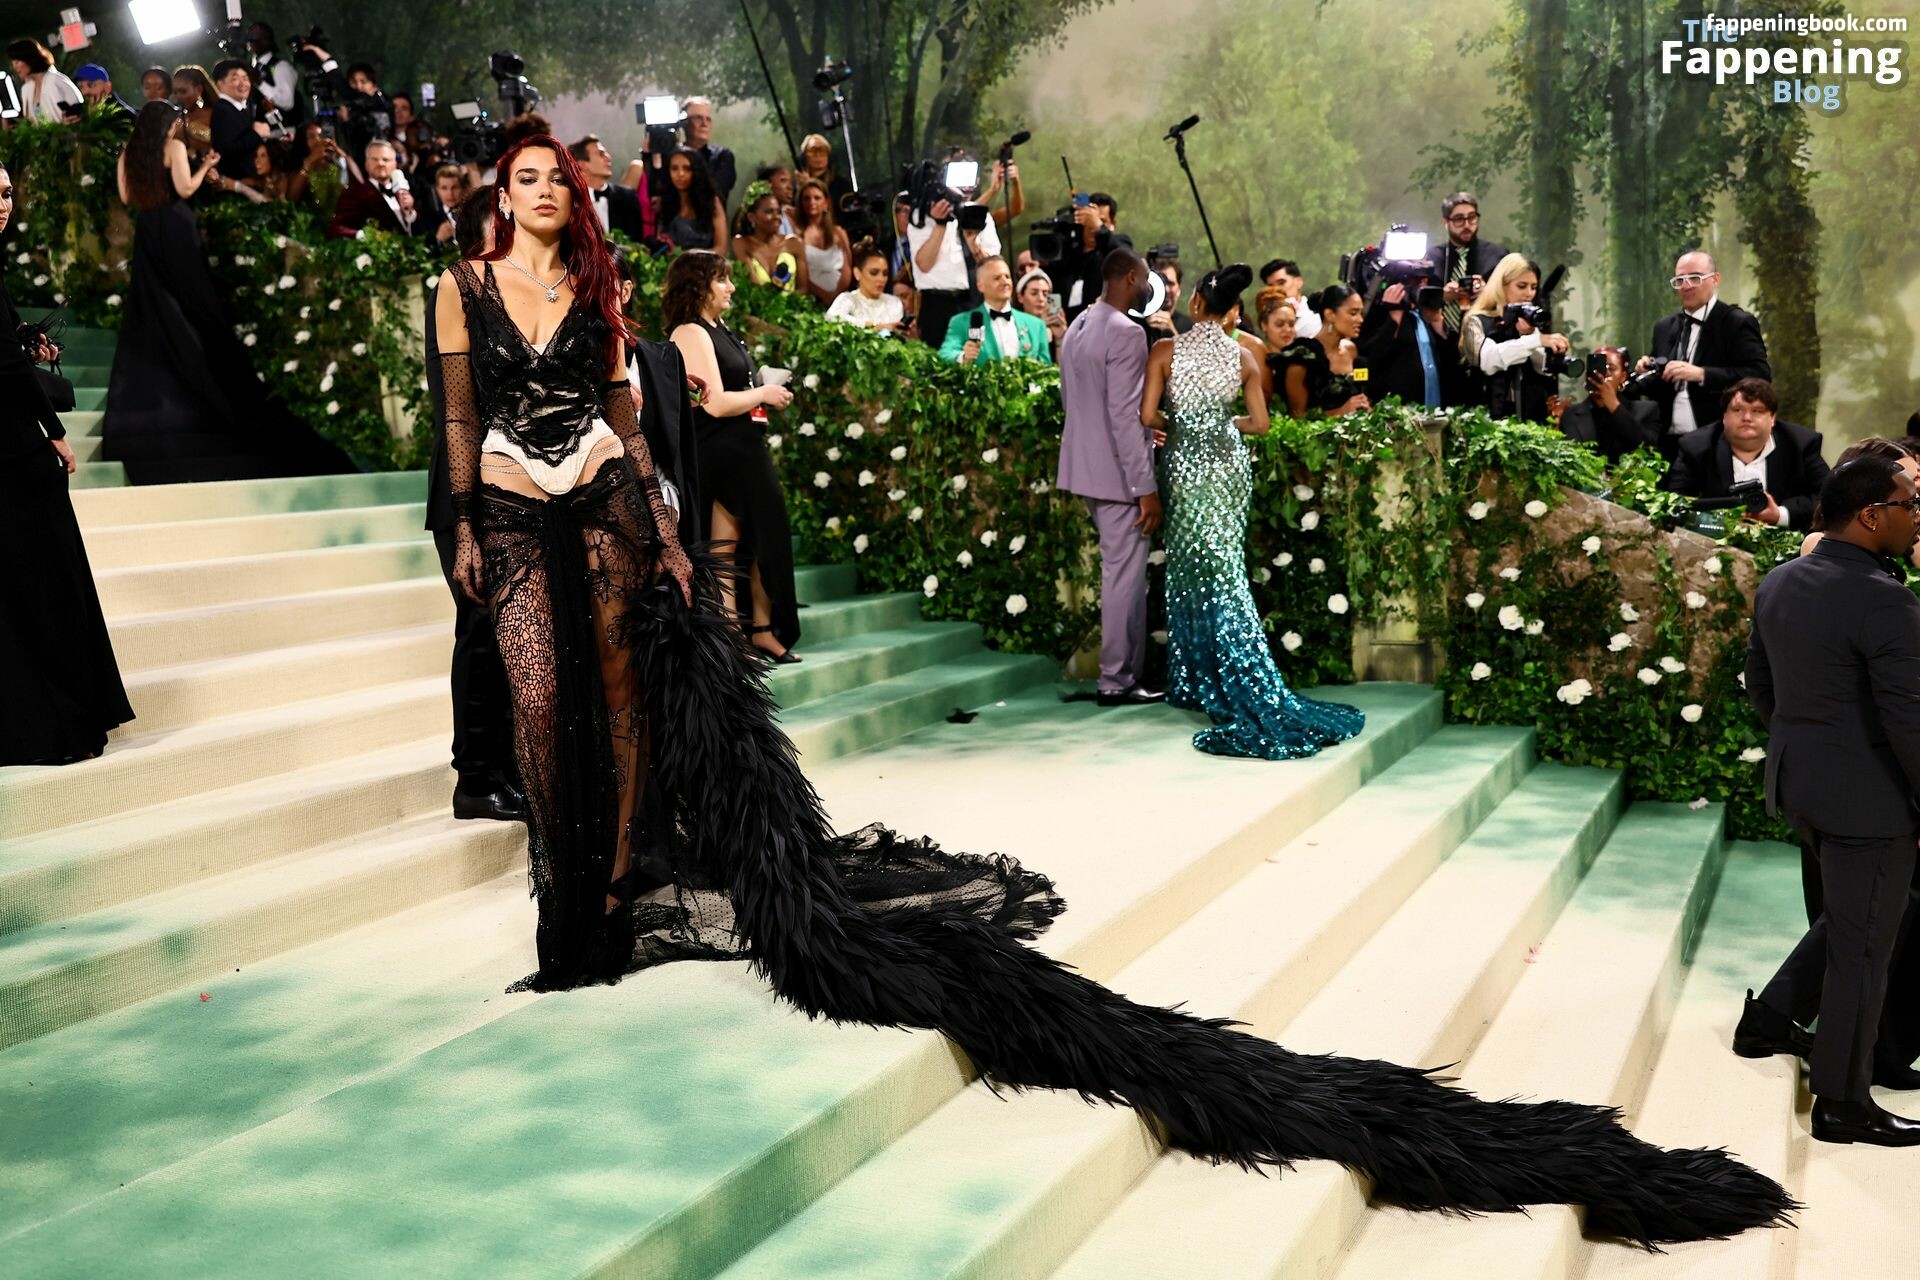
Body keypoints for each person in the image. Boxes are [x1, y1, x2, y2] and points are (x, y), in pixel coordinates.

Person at [425, 137, 1794, 1246]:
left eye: (555, 177)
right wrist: (464, 527)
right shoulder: (464, 291)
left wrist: (662, 522)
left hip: (612, 506)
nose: (542, 191)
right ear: (496, 196)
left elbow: (626, 410)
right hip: (514, 505)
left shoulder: (601, 292)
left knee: (625, 717)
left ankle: (608, 899)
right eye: (524, 176)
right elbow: (458, 418)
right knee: (547, 719)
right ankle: (575, 916)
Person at [1738, 456, 1920, 1146]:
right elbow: (1909, 721)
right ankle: (1843, 1105)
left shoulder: (1782, 580)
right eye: (1909, 504)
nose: (1917, 517)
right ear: (1871, 514)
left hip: (1802, 788)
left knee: (1852, 932)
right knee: (1861, 953)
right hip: (1869, 802)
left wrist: (1807, 747)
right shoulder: (1884, 599)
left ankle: (1797, 1035)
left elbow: (1761, 686)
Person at [1141, 263, 1365, 759]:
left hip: (1184, 465)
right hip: (1228, 467)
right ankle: (1225, 674)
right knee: (1225, 568)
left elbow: (1146, 415)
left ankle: (1194, 679)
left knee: (1189, 567)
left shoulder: (1165, 350)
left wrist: (1186, 422)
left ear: (1195, 304)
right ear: (1233, 312)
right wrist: (1222, 422)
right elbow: (1261, 425)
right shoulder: (1244, 354)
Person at [104, 102, 350, 484]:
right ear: (165, 124)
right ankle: (208, 368)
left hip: (148, 230)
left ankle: (174, 359)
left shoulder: (128, 153)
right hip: (176, 226)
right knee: (198, 302)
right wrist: (205, 166)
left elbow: (125, 197)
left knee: (155, 302)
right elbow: (185, 188)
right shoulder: (173, 148)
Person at [0, 161, 134, 765]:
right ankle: (51, 719)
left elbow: (4, 343)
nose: (3, 204)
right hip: (10, 446)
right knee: (44, 579)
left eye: (8, 193)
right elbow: (2, 364)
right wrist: (53, 430)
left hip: (9, 441)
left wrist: (25, 336)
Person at [419, 183, 524, 823]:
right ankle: (478, 779)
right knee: (483, 633)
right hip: (470, 492)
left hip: (513, 486)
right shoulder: (457, 293)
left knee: (512, 636)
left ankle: (508, 769)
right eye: (507, 224)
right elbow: (463, 410)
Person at [666, 250, 800, 663]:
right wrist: (764, 393)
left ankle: (760, 630)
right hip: (720, 448)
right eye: (721, 279)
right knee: (726, 546)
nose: (731, 287)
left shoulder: (718, 327)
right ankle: (733, 636)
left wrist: (760, 389)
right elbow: (716, 404)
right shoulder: (689, 331)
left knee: (761, 538)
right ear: (698, 286)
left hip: (743, 446)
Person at [1058, 249, 1162, 706]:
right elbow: (1124, 416)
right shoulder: (1127, 331)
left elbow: (1072, 399)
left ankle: (1121, 676)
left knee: (1118, 574)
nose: (1149, 289)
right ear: (1132, 278)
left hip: (1084, 467)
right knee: (1124, 578)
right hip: (1120, 476)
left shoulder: (1079, 323)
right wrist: (1145, 487)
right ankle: (1117, 680)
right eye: (1146, 280)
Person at [1626, 251, 1772, 446]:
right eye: (1680, 280)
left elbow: (1760, 375)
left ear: (1715, 279)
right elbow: (1659, 382)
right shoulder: (1664, 327)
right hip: (1667, 440)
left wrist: (1702, 374)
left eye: (1695, 278)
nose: (1686, 286)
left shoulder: (1736, 322)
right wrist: (1645, 370)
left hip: (1718, 438)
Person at [1660, 377, 1829, 531]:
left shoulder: (1801, 445)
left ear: (1772, 418)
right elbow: (1676, 501)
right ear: (1724, 416)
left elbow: (1829, 499)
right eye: (1738, 409)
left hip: (1786, 543)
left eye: (1757, 411)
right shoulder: (1695, 447)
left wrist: (1779, 514)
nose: (1747, 417)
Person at [1458, 253, 1568, 422]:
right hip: (1487, 419)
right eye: (1521, 286)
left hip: (1530, 417)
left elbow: (1541, 367)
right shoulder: (1477, 320)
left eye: (1533, 287)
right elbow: (1488, 361)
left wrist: (1532, 335)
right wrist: (1535, 340)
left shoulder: (1530, 321)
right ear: (1501, 285)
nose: (1529, 293)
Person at [906, 180, 1000, 351]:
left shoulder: (979, 214)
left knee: (978, 354)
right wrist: (940, 224)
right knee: (938, 359)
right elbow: (924, 265)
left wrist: (974, 246)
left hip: (973, 301)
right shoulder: (920, 217)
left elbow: (994, 268)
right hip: (936, 305)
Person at [1359, 273, 1464, 411]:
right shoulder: (1379, 314)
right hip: (1398, 410)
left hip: (1436, 410)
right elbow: (1371, 359)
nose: (1421, 285)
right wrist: (1393, 319)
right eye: (1416, 280)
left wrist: (1438, 325)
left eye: (1424, 280)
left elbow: (1452, 364)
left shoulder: (1426, 316)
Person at [1278, 285, 1371, 419]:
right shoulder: (1302, 356)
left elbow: (1360, 391)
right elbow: (1297, 417)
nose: (1360, 320)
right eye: (1353, 313)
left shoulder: (1351, 350)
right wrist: (1340, 412)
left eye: (1361, 313)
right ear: (1330, 315)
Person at [1555, 348, 1662, 462]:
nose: (1604, 374)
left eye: (1611, 368)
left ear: (1623, 377)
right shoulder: (1570, 414)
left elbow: (1647, 449)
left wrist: (1613, 405)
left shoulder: (1646, 410)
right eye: (1597, 369)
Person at [939, 256, 1051, 364]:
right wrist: (963, 357)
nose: (1005, 282)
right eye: (997, 278)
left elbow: (1046, 368)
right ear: (980, 286)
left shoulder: (1036, 325)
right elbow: (944, 355)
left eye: (1007, 277)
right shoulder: (961, 322)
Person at [1429, 191, 1509, 337]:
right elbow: (1417, 299)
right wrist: (1442, 296)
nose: (1467, 225)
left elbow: (1513, 297)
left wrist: (1488, 292)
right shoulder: (1432, 258)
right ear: (1445, 221)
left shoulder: (1497, 256)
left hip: (1486, 338)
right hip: (1439, 338)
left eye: (1472, 217)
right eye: (1459, 219)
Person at [327, 139, 421, 239]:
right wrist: (365, 236)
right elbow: (336, 228)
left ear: (395, 164)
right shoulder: (353, 193)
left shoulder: (404, 192)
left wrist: (409, 212)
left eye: (385, 160)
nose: (380, 163)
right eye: (375, 159)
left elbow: (419, 230)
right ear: (366, 164)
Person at [568, 134, 648, 244]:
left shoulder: (627, 197)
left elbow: (635, 242)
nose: (609, 157)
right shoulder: (570, 202)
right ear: (582, 165)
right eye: (601, 154)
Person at [732, 182, 808, 294]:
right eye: (769, 212)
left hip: (793, 304)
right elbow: (753, 288)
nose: (776, 217)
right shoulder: (741, 243)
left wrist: (788, 302)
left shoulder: (795, 242)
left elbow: (803, 289)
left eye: (778, 212)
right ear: (752, 217)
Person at [653, 146, 728, 253]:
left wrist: (688, 258)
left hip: (704, 262)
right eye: (674, 168)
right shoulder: (665, 202)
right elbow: (660, 241)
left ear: (697, 172)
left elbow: (721, 249)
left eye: (687, 169)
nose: (680, 174)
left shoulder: (711, 202)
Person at [826, 239, 906, 332]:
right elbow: (832, 319)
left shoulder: (894, 302)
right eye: (874, 273)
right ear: (857, 273)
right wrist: (875, 327)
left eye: (885, 273)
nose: (881, 279)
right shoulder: (847, 299)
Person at [794, 178, 851, 308]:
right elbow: (801, 276)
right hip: (812, 301)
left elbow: (847, 267)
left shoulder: (839, 232)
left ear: (826, 203)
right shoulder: (797, 236)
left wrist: (837, 296)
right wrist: (824, 296)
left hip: (842, 301)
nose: (812, 202)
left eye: (817, 198)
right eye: (807, 198)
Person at [207, 59, 265, 183]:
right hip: (237, 183)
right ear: (220, 84)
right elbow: (228, 150)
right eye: (235, 79)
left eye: (245, 78)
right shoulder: (223, 110)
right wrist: (257, 134)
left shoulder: (237, 108)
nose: (243, 83)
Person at [6, 40, 81, 124]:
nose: (14, 67)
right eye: (12, 63)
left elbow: (77, 112)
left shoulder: (56, 80)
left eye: (17, 62)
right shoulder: (26, 89)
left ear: (29, 59)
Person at [683, 96, 736, 208]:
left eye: (708, 119)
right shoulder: (672, 155)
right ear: (684, 122)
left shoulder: (722, 156)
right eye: (698, 118)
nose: (704, 124)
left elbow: (715, 195)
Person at [796, 132, 855, 229]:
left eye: (823, 150)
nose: (818, 155)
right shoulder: (798, 185)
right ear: (804, 156)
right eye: (812, 151)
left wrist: (810, 184)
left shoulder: (841, 184)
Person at [245, 23, 300, 122]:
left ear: (268, 41)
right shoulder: (252, 66)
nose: (252, 41)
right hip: (258, 128)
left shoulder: (280, 66)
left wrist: (260, 83)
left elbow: (287, 102)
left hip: (281, 129)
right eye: (251, 37)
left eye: (257, 37)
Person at [1254, 287, 1297, 405]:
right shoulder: (1258, 360)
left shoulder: (1302, 359)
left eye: (1292, 324)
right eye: (1280, 324)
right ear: (1264, 325)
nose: (1287, 330)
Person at [1139, 259, 1195, 350]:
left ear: (1179, 289)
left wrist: (1172, 333)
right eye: (1160, 283)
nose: (1165, 290)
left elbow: (1191, 356)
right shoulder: (1136, 320)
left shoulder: (1190, 327)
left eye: (1170, 283)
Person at [1258, 259, 1321, 340]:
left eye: (1281, 283)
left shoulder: (1316, 315)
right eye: (1271, 286)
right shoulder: (1268, 318)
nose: (1276, 289)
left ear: (1299, 282)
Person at [1014, 266, 1067, 358]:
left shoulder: (1054, 327)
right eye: (1034, 293)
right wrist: (1039, 329)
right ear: (1020, 297)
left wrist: (1060, 339)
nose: (1041, 298)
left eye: (1045, 294)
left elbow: (1065, 366)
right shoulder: (1013, 324)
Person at [170, 66, 216, 161]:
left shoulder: (215, 114)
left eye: (183, 91)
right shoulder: (176, 119)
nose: (178, 96)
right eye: (175, 92)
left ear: (199, 89)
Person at [72, 64, 136, 127]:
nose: (84, 92)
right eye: (81, 86)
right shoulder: (77, 109)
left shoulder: (126, 117)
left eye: (91, 85)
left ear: (107, 87)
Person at [427, 164, 472, 243]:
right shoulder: (431, 219)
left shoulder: (474, 213)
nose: (450, 193)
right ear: (437, 190)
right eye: (444, 188)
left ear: (463, 188)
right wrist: (439, 240)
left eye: (454, 187)